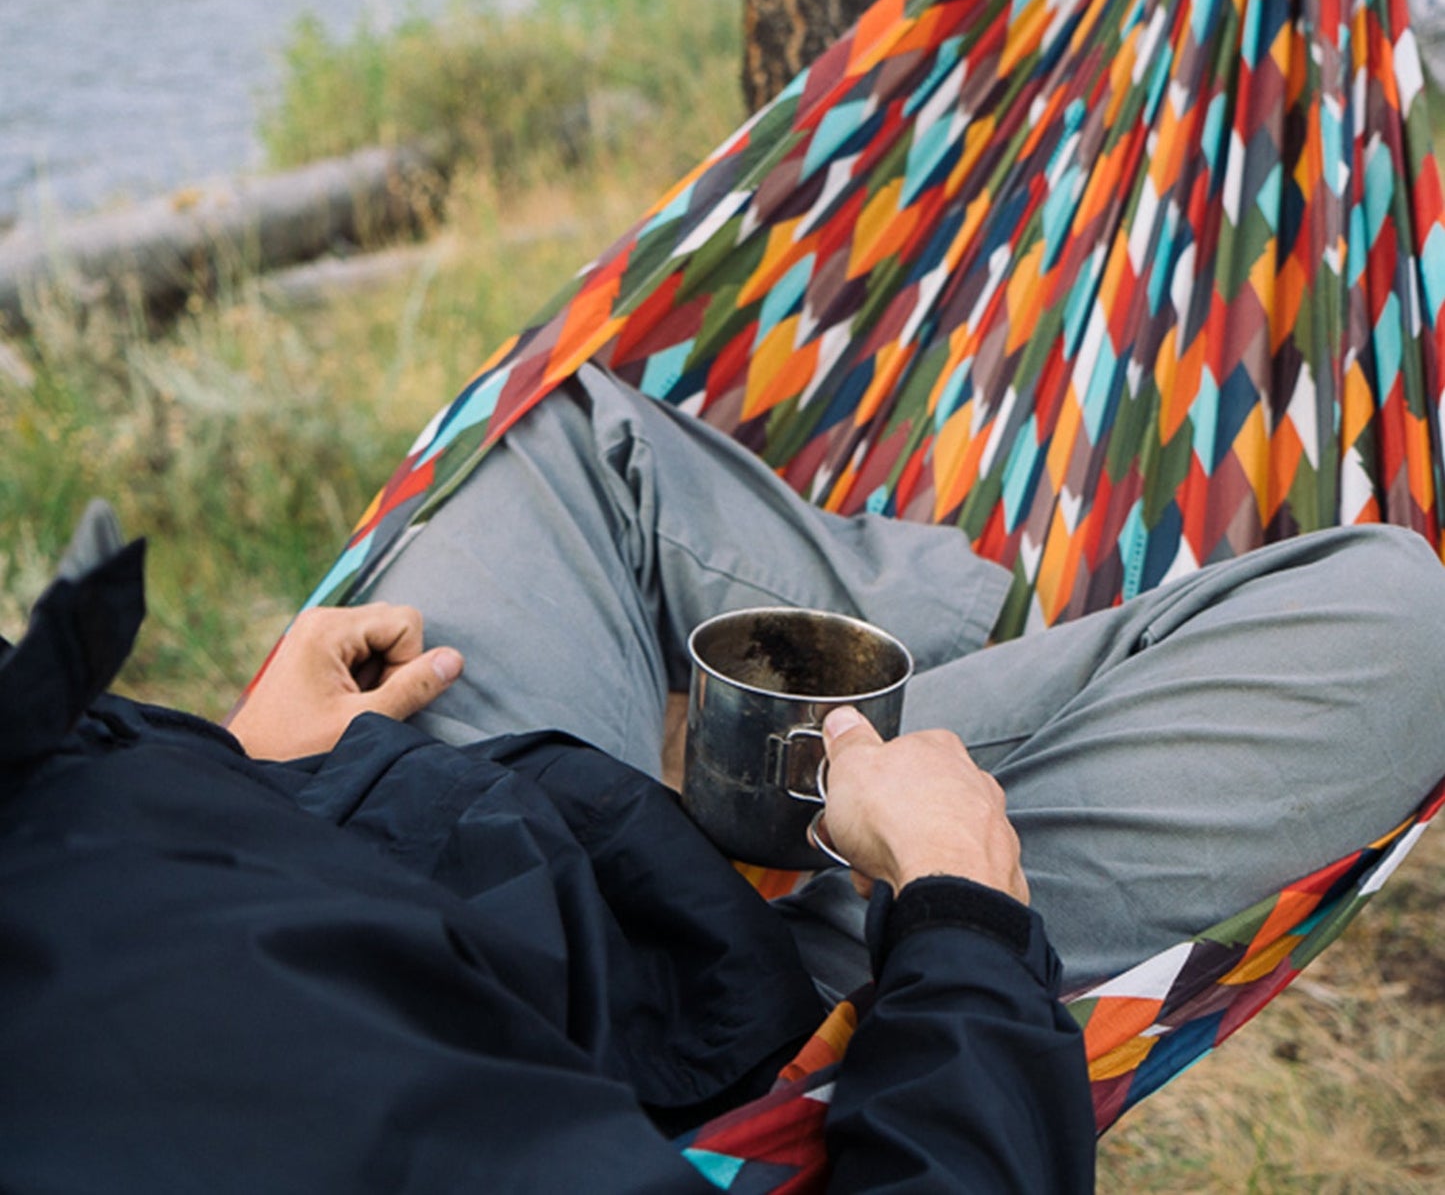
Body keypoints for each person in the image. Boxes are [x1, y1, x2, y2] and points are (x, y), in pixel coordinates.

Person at [3, 363, 1444, 1192]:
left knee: (567, 432)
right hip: (711, 1019)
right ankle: (1000, 675)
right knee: (1398, 617)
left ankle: (989, 623)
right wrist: (953, 918)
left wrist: (230, 763)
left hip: (398, 801)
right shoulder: (142, 1115)